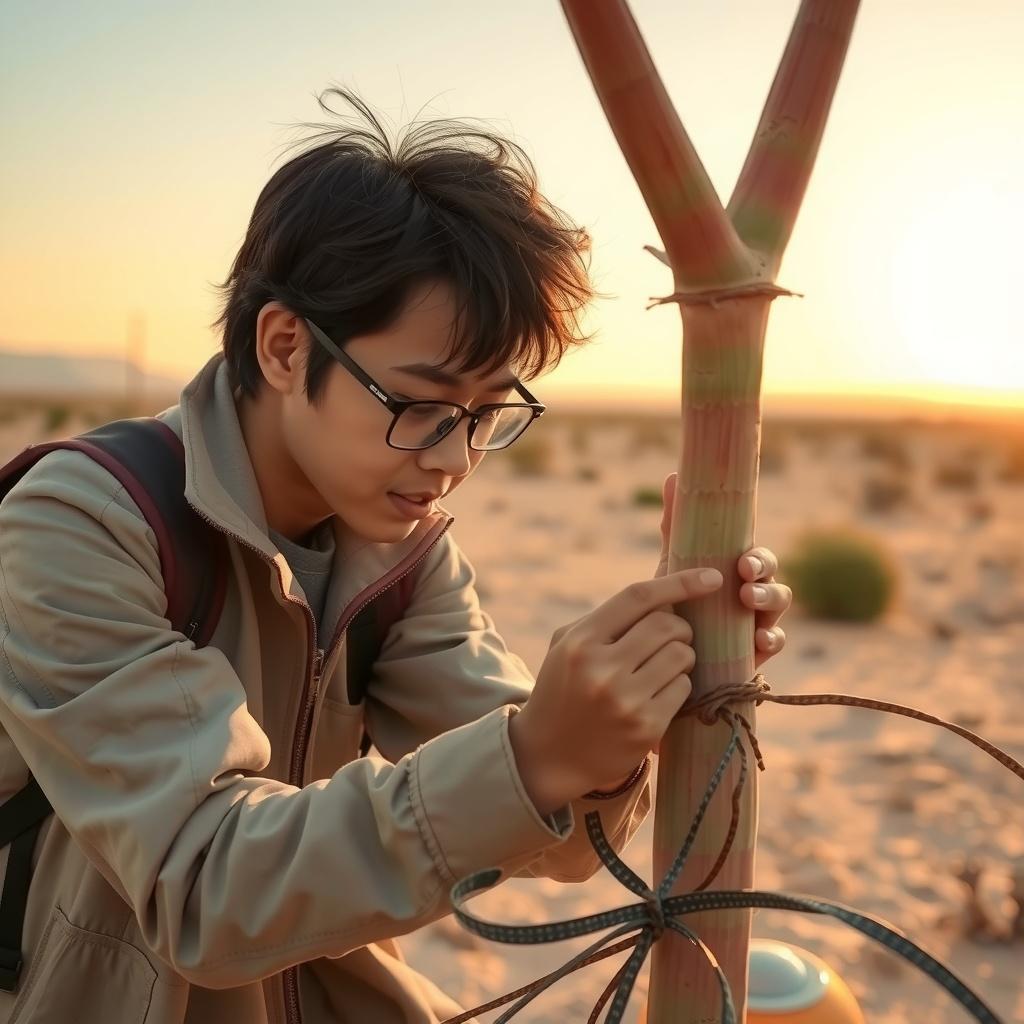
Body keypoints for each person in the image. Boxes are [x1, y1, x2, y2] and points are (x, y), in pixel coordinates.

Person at [0, 88, 791, 1023]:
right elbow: (203, 889)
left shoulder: (401, 556)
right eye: (420, 404)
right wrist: (536, 751)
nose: (455, 459)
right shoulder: (81, 524)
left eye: (488, 413)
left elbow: (567, 842)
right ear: (287, 346)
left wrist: (632, 704)